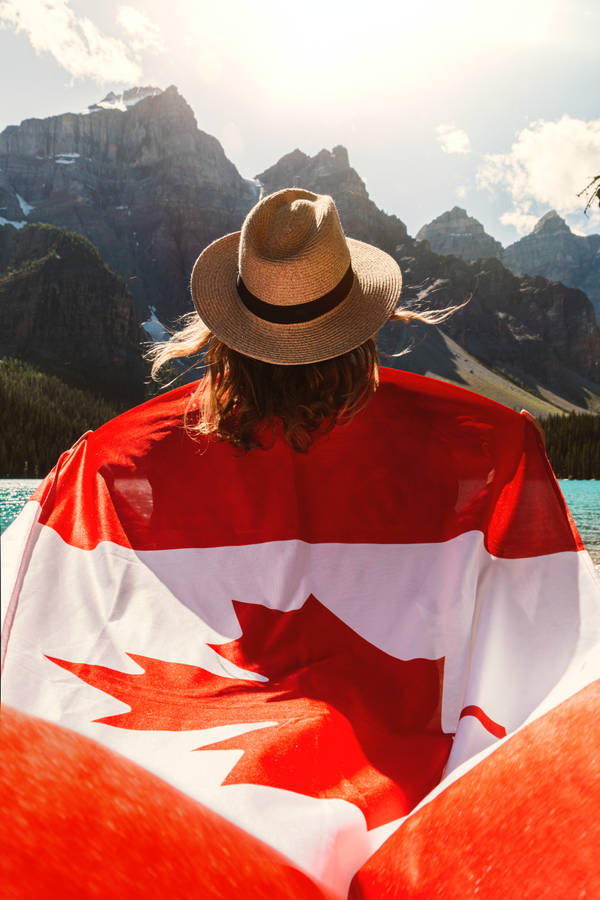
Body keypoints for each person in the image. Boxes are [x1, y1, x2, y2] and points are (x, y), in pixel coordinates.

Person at [2, 189, 599, 899]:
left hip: (178, 792)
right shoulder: (486, 444)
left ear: (226, 336)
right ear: (364, 323)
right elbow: (555, 636)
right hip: (401, 774)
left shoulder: (113, 459)